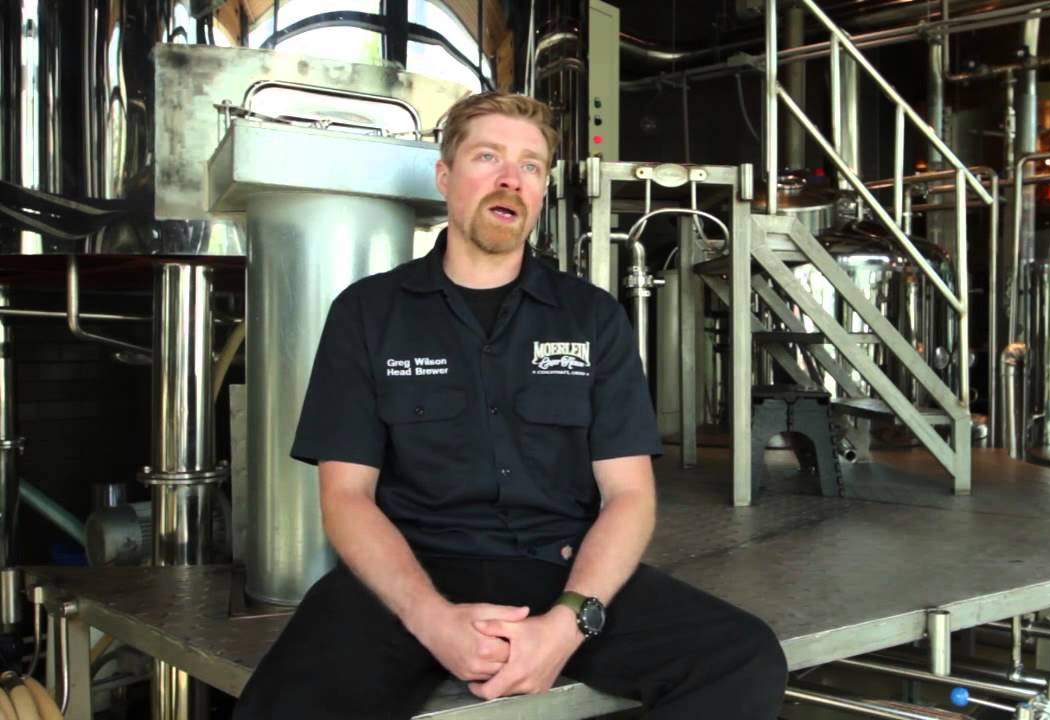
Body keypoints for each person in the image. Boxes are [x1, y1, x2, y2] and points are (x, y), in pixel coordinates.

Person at [233, 91, 788, 720]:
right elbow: (346, 497)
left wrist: (568, 625)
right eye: (488, 156)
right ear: (445, 176)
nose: (510, 178)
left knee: (744, 659)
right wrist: (432, 619)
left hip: (560, 571)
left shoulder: (592, 318)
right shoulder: (368, 314)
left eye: (530, 165)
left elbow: (630, 496)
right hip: (411, 574)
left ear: (542, 190)